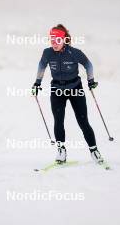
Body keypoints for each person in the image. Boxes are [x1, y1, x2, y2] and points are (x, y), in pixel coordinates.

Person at [32, 24, 104, 164]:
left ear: (64, 40)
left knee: (83, 121)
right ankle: (61, 151)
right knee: (58, 121)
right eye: (52, 40)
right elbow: (41, 66)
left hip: (75, 88)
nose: (54, 43)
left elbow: (88, 65)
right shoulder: (47, 53)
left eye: (57, 40)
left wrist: (91, 81)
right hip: (57, 90)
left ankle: (94, 151)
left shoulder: (74, 52)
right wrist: (37, 83)